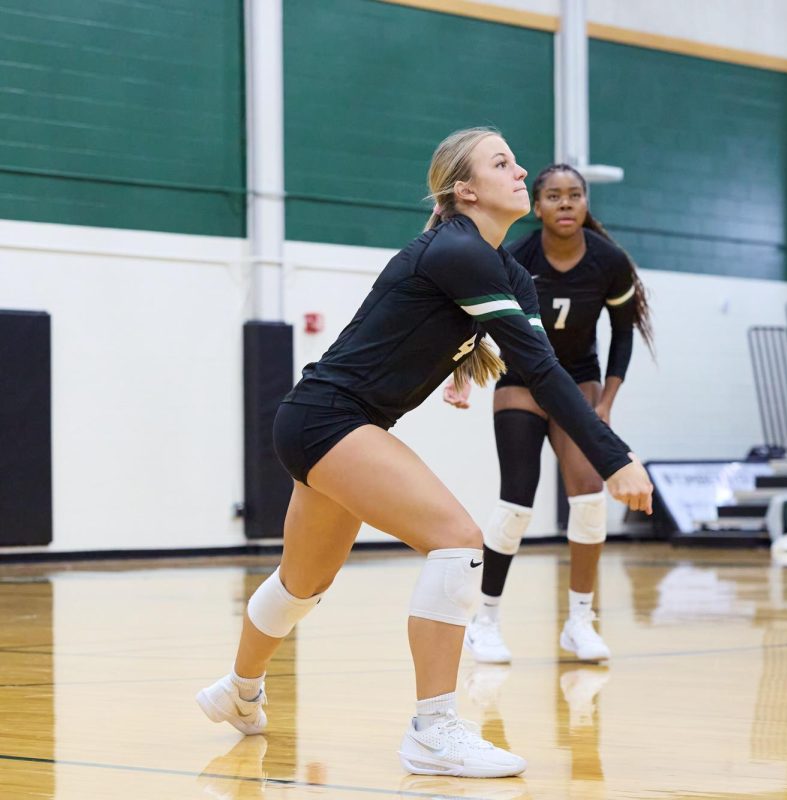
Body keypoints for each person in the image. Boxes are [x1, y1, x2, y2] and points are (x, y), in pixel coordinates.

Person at [195, 127, 654, 779]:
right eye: (502, 163)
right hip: (330, 418)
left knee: (303, 585)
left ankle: (237, 693)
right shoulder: (455, 249)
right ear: (464, 189)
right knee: (459, 541)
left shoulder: (509, 277)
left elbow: (512, 356)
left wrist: (461, 368)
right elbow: (547, 377)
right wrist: (613, 457)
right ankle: (433, 730)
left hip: (325, 422)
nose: (521, 170)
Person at [442, 163, 652, 664]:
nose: (564, 203)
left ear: (585, 204)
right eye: (553, 196)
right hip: (521, 378)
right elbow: (474, 315)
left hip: (578, 380)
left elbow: (624, 335)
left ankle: (580, 621)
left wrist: (604, 404)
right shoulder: (515, 255)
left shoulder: (609, 262)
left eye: (574, 195)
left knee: (589, 495)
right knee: (517, 501)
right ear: (536, 207)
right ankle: (485, 621)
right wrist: (460, 373)